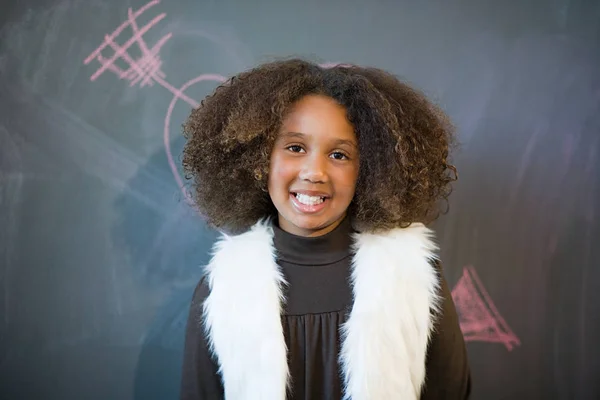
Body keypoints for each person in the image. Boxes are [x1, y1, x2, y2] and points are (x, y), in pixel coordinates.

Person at [179, 58, 471, 400]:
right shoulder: (222, 289)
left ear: (371, 170)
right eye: (295, 148)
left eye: (339, 155)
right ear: (259, 160)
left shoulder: (414, 279)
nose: (314, 171)